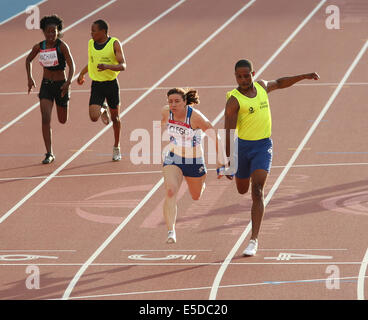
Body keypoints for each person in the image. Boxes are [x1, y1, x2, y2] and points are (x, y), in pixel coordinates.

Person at [224, 59, 319, 256]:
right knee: (242, 189)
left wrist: (303, 76)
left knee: (257, 191)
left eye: (246, 75)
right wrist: (229, 160)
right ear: (235, 77)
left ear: (253, 73)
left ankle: (253, 240)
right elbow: (228, 132)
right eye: (239, 76)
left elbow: (281, 82)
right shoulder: (233, 101)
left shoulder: (261, 87)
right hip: (243, 148)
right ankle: (244, 174)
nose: (243, 79)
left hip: (262, 146)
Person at [161, 88, 227, 244]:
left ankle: (201, 184)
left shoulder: (196, 117)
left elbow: (215, 136)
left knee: (196, 196)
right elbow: (164, 123)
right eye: (170, 101)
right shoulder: (165, 112)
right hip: (173, 157)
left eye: (177, 101)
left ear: (185, 102)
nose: (173, 104)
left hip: (194, 161)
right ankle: (171, 231)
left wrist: (221, 162)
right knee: (170, 190)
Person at [26, 14, 75, 164]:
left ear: (58, 31)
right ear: (44, 32)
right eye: (48, 31)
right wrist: (30, 78)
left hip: (61, 86)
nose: (51, 34)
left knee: (62, 120)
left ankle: (66, 101)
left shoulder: (62, 46)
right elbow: (28, 60)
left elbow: (72, 65)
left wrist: (68, 83)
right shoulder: (39, 47)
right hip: (46, 85)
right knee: (45, 118)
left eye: (54, 31)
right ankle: (49, 153)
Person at [77, 19, 126, 161]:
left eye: (94, 30)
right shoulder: (91, 44)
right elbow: (91, 62)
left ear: (103, 31)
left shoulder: (114, 43)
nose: (91, 33)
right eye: (91, 30)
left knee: (115, 118)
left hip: (111, 85)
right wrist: (81, 73)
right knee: (93, 117)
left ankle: (116, 147)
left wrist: (107, 66)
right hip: (97, 85)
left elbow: (123, 65)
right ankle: (103, 108)